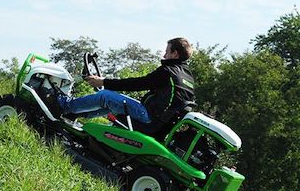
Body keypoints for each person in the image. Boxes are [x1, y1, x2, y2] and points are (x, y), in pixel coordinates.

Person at [41, 37, 195, 128]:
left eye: (167, 52)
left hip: (149, 117)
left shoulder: (168, 72)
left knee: (106, 97)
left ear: (174, 54)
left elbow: (137, 84)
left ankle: (63, 104)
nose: (164, 54)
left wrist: (104, 82)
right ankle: (72, 114)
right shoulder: (187, 77)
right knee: (112, 102)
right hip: (160, 122)